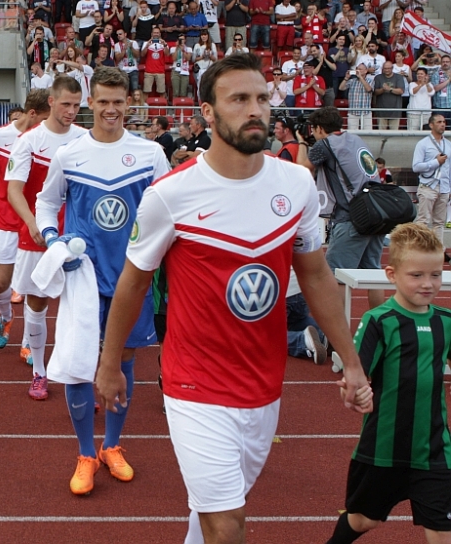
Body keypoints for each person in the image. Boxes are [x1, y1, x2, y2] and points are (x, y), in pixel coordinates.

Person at [96, 53, 371, 543]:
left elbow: (315, 276)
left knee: (209, 519)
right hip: (193, 383)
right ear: (207, 111)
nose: (255, 109)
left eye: (262, 98)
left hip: (264, 383)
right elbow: (133, 283)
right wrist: (110, 362)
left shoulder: (296, 183)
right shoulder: (169, 195)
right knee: (227, 525)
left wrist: (350, 362)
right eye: (239, 99)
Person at [36, 65, 169, 494]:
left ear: (129, 103)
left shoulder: (150, 154)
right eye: (103, 101)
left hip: (133, 278)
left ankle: (112, 445)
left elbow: (170, 209)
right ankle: (85, 453)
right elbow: (45, 203)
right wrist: (55, 241)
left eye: (119, 102)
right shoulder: (69, 154)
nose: (111, 109)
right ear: (90, 103)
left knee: (124, 360)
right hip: (84, 279)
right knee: (79, 364)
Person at [326, 223, 450, 544]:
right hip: (383, 448)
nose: (428, 283)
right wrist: (355, 393)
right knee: (363, 519)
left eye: (436, 274)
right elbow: (355, 375)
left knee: (442, 530)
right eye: (417, 275)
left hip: (434, 449)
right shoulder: (380, 321)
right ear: (392, 274)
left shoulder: (446, 322)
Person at [5, 75, 86, 396]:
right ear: (51, 102)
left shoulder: (85, 139)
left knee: (78, 308)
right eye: (66, 104)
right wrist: (31, 222)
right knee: (37, 304)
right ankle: (39, 371)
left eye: (76, 105)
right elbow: (14, 189)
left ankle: (78, 378)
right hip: (37, 236)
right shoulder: (29, 140)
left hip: (76, 235)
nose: (71, 111)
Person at [0, 92, 49, 349]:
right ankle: (5, 316)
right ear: (32, 114)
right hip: (5, 220)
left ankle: (28, 342)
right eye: (45, 118)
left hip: (36, 222)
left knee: (32, 286)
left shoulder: (50, 138)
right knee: (0, 284)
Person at [298, 106, 386, 310]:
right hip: (375, 213)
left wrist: (301, 142)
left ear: (320, 128)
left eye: (313, 129)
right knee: (373, 274)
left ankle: (337, 328)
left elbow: (302, 169)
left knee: (336, 276)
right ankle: (379, 322)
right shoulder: (355, 140)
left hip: (350, 218)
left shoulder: (325, 144)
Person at [412, 114, 451, 245]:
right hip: (428, 186)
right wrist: (435, 162)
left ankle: (438, 250)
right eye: (439, 122)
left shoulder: (448, 144)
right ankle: (420, 249)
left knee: (439, 222)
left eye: (444, 122)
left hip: (444, 187)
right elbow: (416, 167)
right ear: (431, 125)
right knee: (423, 220)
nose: (443, 124)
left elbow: (449, 168)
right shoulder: (423, 144)